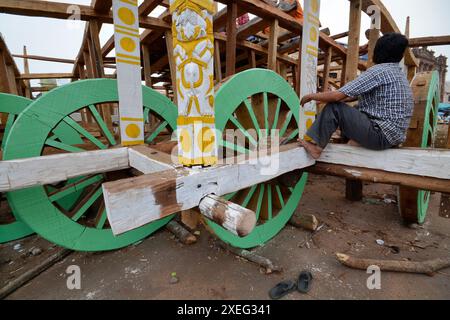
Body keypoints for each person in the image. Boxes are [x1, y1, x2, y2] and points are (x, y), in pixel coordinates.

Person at [298, 33, 414, 159]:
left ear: (378, 51)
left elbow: (338, 96)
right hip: (394, 136)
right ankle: (348, 147)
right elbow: (350, 96)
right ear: (400, 55)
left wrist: (312, 96)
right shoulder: (398, 74)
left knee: (335, 108)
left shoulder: (379, 71)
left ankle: (317, 148)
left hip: (380, 135)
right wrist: (323, 98)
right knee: (354, 109)